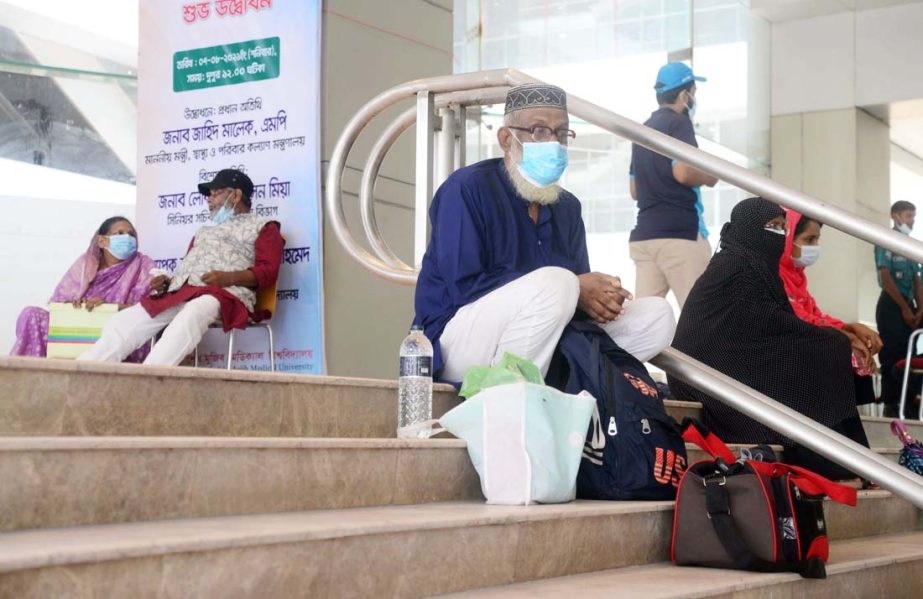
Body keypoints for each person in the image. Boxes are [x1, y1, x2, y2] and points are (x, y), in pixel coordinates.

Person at [413, 83, 676, 384]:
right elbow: (464, 286)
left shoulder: (567, 207)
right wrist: (574, 287)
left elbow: (570, 299)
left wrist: (600, 299)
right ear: (505, 138)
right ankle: (509, 403)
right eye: (539, 131)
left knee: (657, 315)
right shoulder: (467, 189)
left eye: (562, 133)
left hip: (544, 341)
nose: (552, 142)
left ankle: (570, 388)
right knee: (559, 281)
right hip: (457, 344)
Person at [669, 197, 869, 480]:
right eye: (771, 226)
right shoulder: (734, 266)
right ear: (750, 228)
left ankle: (846, 455)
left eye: (781, 227)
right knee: (826, 347)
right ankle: (828, 457)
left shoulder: (754, 264)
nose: (778, 234)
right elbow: (763, 321)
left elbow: (769, 321)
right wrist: (832, 336)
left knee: (826, 346)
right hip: (708, 368)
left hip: (735, 355)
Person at [78, 169, 283, 366]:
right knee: (126, 320)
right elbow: (189, 269)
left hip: (226, 295)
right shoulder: (203, 232)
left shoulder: (265, 227)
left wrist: (228, 278)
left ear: (236, 195)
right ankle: (85, 370)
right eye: (208, 195)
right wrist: (168, 283)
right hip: (185, 292)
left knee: (194, 311)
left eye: (216, 193)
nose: (209, 199)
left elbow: (268, 272)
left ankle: (147, 378)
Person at [628, 62, 718, 308]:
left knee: (643, 323)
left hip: (645, 237)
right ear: (683, 94)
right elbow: (683, 172)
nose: (694, 98)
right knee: (701, 318)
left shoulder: (642, 130)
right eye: (694, 92)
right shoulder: (678, 122)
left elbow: (634, 190)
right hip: (679, 235)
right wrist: (710, 175)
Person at [11, 216, 155, 361]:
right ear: (102, 241)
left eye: (131, 234)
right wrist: (74, 305)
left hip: (116, 330)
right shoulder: (86, 264)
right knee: (31, 314)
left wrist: (109, 307)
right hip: (77, 329)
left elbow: (148, 310)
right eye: (120, 233)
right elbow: (59, 304)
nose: (127, 238)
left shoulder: (143, 265)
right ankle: (27, 373)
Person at [779, 208, 882, 405]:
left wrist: (851, 328)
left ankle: (847, 419)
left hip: (805, 342)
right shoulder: (775, 274)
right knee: (842, 346)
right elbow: (799, 318)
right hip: (788, 349)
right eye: (809, 240)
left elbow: (815, 314)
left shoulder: (797, 276)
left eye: (817, 240)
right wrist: (848, 336)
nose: (815, 246)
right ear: (788, 237)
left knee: (849, 343)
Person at [874, 200, 923, 417]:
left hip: (911, 306)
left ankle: (911, 399)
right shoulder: (886, 240)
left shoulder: (911, 245)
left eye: (913, 216)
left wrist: (920, 310)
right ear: (895, 216)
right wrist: (905, 308)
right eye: (907, 216)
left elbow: (916, 279)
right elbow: (886, 277)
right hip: (892, 304)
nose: (911, 221)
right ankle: (891, 403)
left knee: (910, 353)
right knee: (892, 353)